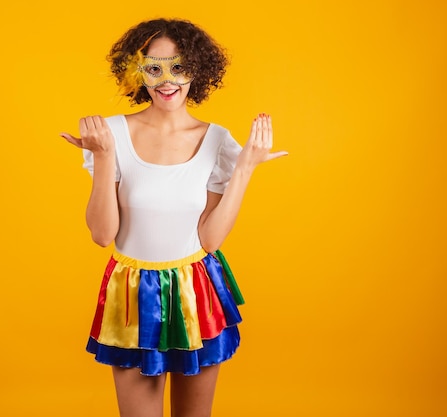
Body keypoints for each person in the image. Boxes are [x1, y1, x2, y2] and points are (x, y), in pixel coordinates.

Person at [60, 18, 287, 417]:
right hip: (132, 293)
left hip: (196, 290)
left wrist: (245, 168)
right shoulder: (110, 135)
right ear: (138, 72)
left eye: (179, 67)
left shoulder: (217, 140)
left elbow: (211, 241)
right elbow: (102, 234)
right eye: (154, 67)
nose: (167, 80)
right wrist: (102, 155)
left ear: (196, 70)